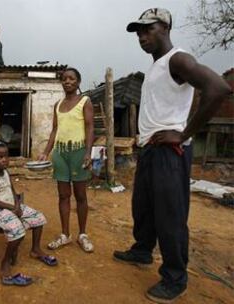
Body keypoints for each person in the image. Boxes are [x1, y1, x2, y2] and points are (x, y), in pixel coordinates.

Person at [113, 8, 232, 303]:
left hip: (170, 151)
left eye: (147, 29)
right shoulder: (156, 66)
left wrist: (184, 133)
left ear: (165, 27)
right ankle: (142, 251)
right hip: (151, 149)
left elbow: (218, 88)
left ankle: (175, 278)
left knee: (170, 215)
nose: (142, 36)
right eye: (138, 32)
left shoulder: (178, 59)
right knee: (144, 207)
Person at [0, 141, 57, 286]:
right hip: (0, 211)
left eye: (6, 156)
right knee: (18, 231)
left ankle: (36, 250)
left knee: (39, 217)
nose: (4, 160)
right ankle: (5, 263)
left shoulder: (6, 172)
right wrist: (12, 207)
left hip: (13, 206)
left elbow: (13, 191)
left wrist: (17, 205)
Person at [38, 67, 95, 253]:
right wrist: (46, 152)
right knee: (63, 195)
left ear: (78, 82)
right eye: (64, 79)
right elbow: (55, 130)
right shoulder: (58, 104)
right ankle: (65, 234)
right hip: (60, 153)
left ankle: (83, 234)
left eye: (71, 78)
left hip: (78, 152)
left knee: (80, 196)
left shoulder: (85, 101)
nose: (67, 81)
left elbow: (89, 127)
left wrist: (88, 152)